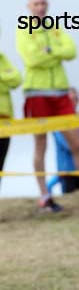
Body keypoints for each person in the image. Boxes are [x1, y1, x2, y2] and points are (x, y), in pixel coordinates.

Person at [16, 0, 79, 211]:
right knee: (40, 145)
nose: (41, 7)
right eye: (36, 4)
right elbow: (31, 57)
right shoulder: (23, 27)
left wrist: (49, 50)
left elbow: (71, 51)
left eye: (43, 3)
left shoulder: (55, 26)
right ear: (29, 7)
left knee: (76, 143)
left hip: (60, 93)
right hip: (36, 93)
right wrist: (54, 54)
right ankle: (45, 197)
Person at [0, 39, 22, 189]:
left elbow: (16, 80)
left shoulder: (2, 58)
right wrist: (4, 77)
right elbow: (10, 79)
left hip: (5, 120)